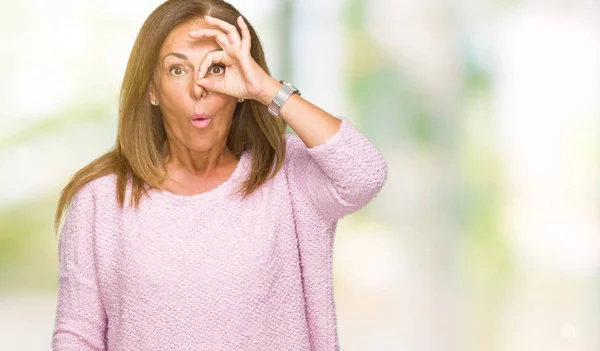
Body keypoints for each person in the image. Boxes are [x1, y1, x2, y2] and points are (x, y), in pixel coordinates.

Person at [51, 0, 388, 350]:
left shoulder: (287, 176)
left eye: (216, 68)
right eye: (177, 70)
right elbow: (77, 337)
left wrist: (268, 89)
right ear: (152, 89)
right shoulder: (102, 198)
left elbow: (364, 174)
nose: (199, 87)